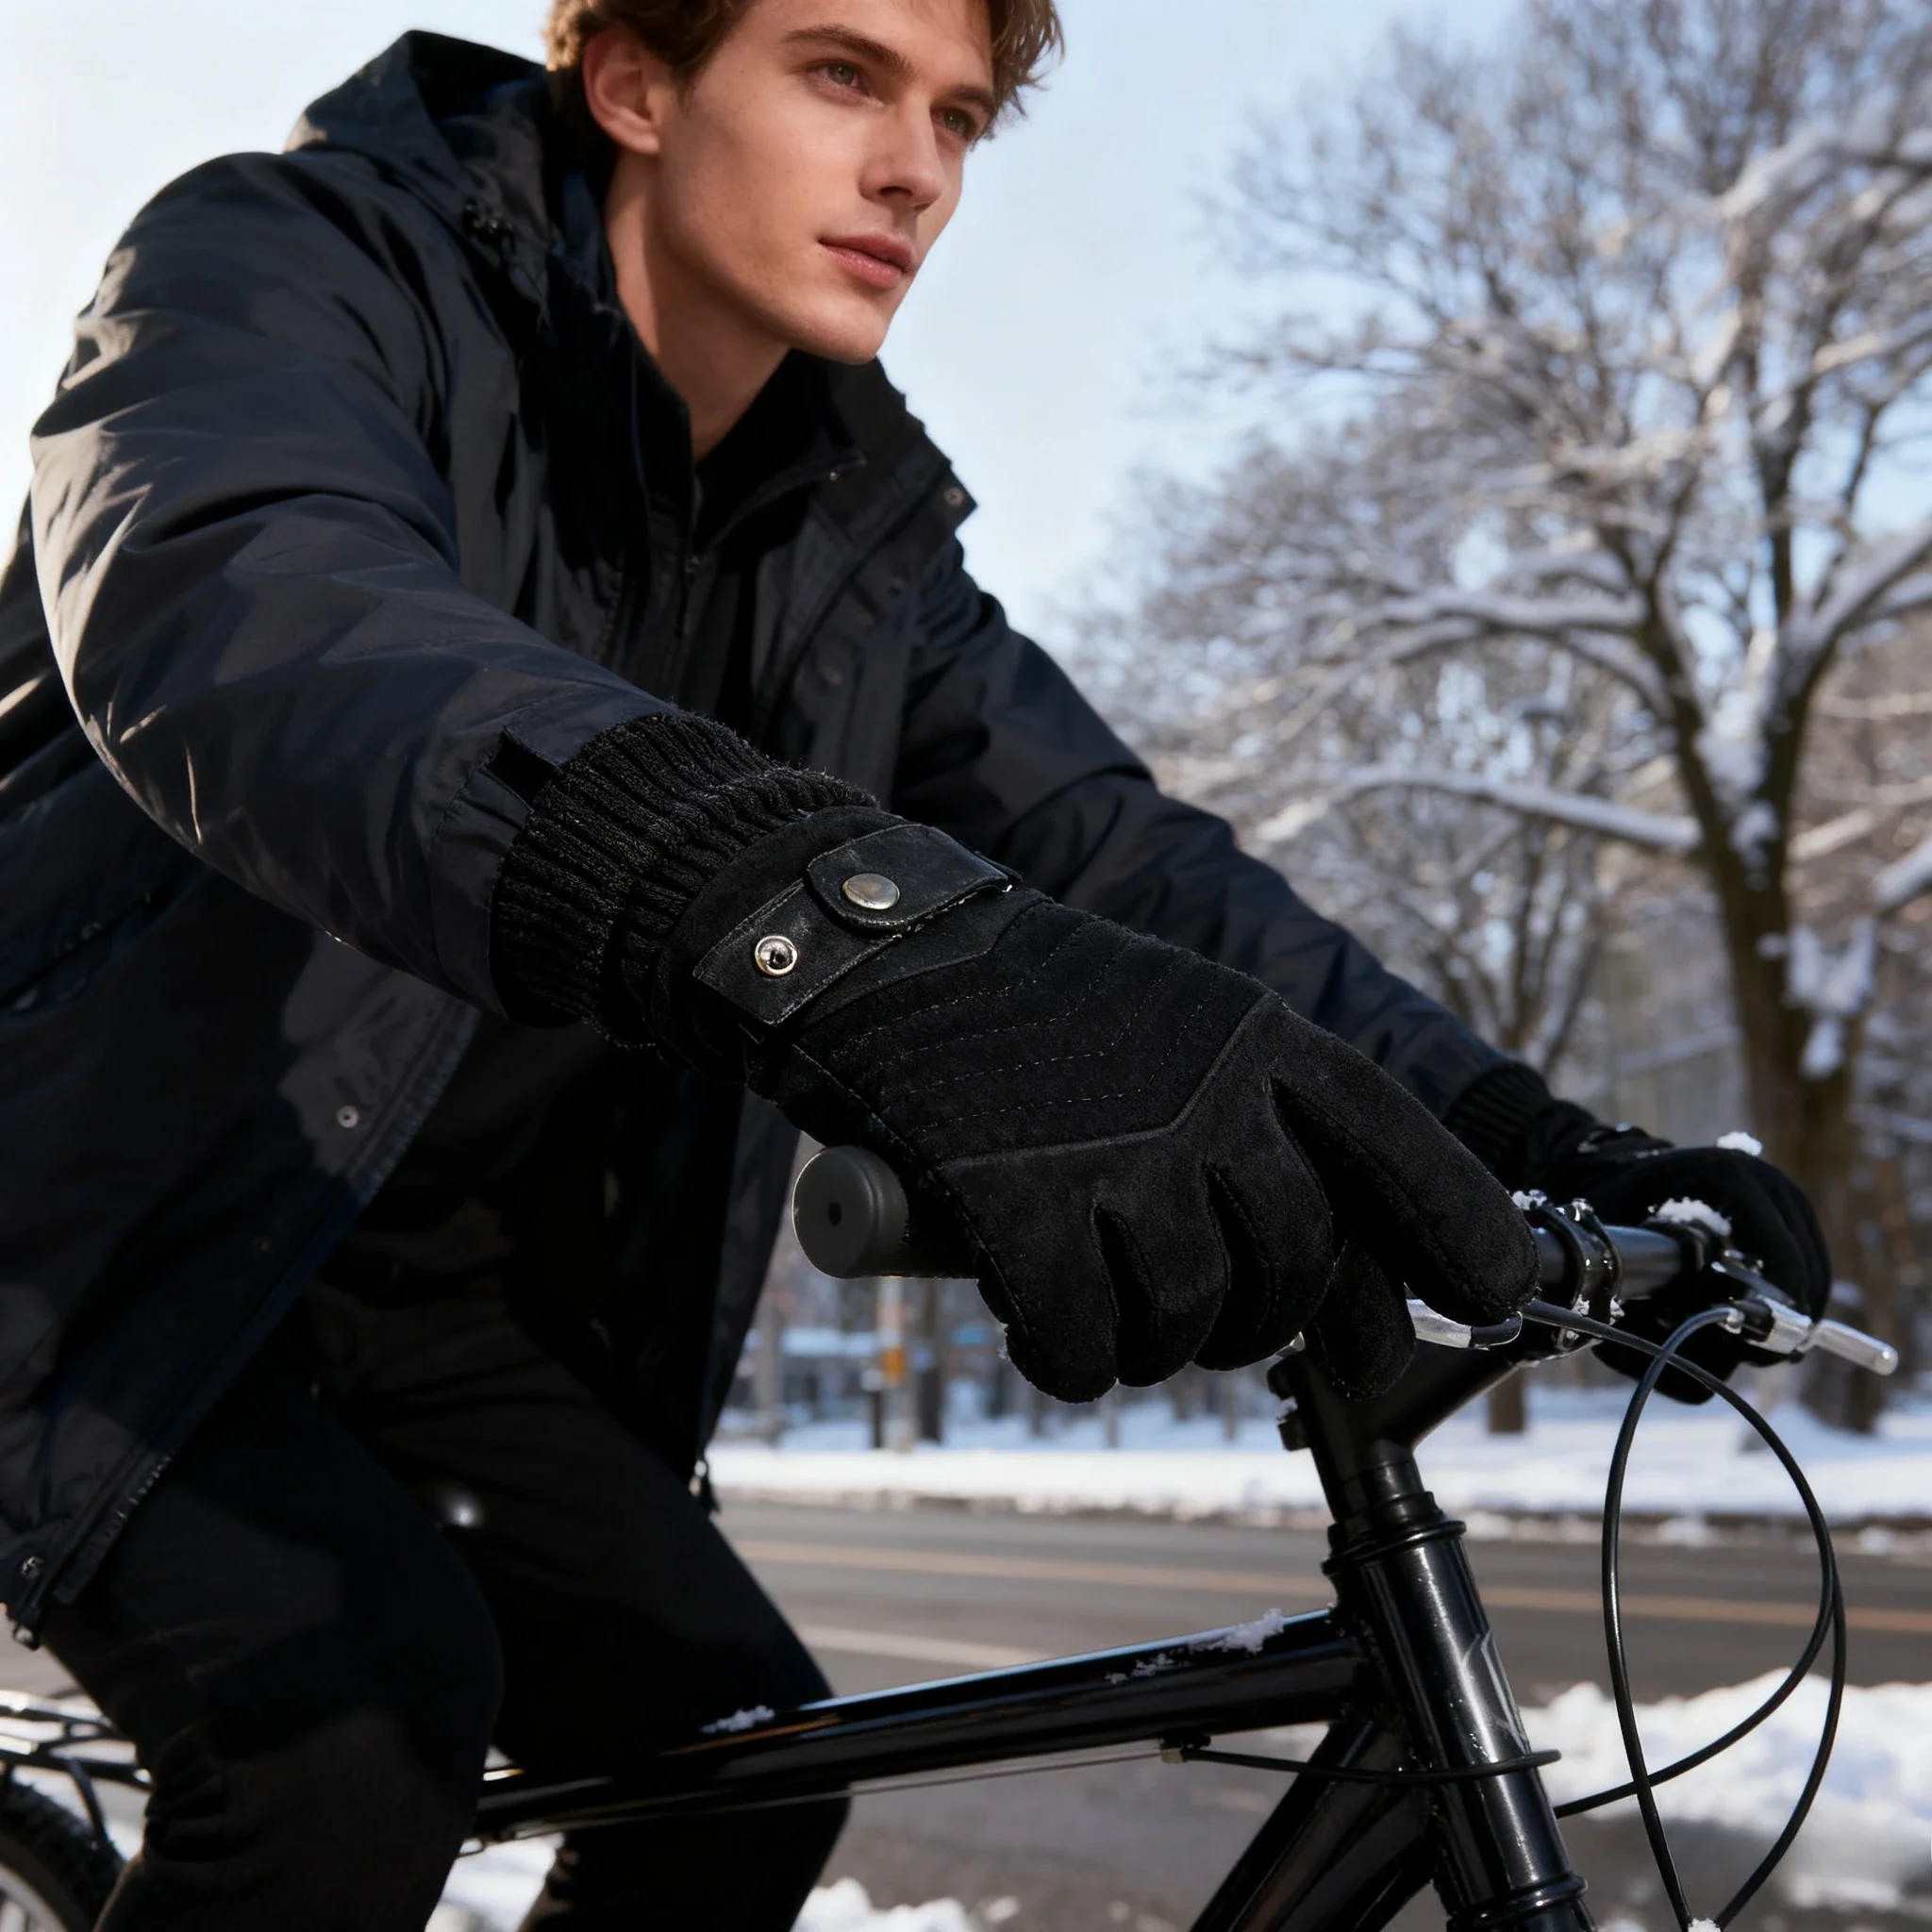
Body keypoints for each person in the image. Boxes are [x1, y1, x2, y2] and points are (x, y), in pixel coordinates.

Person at [0, 1, 1829, 1924]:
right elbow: (254, 613)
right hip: (103, 1237)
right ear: (629, 80)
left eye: (958, 114)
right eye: (841, 74)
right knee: (351, 1734)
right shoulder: (285, 263)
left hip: (441, 1308)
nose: (917, 170)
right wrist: (823, 924)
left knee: (734, 1772)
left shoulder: (855, 542)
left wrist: (1524, 1133)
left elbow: (1125, 864)